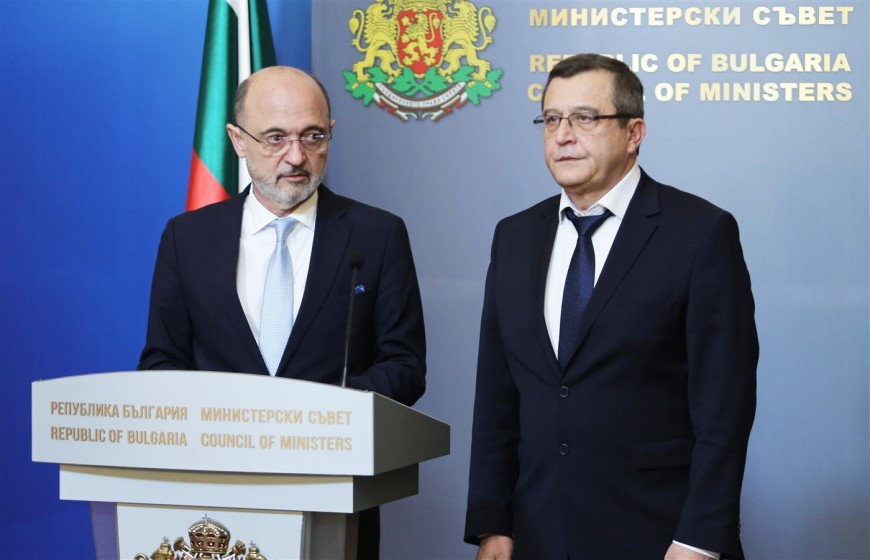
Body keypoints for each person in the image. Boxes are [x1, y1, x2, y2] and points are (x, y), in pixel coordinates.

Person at [464, 54, 758, 559]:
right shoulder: (514, 237)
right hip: (537, 535)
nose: (563, 135)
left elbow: (724, 407)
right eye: (551, 119)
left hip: (658, 535)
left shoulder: (700, 233)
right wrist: (493, 523)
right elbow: (496, 396)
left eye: (585, 118)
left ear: (633, 132)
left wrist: (699, 539)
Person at [139, 65, 426, 559]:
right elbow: (161, 364)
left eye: (313, 136)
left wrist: (317, 418)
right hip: (215, 499)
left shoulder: (376, 235)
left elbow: (405, 366)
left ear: (330, 132)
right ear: (238, 140)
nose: (296, 156)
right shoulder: (187, 239)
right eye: (275, 138)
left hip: (334, 497)